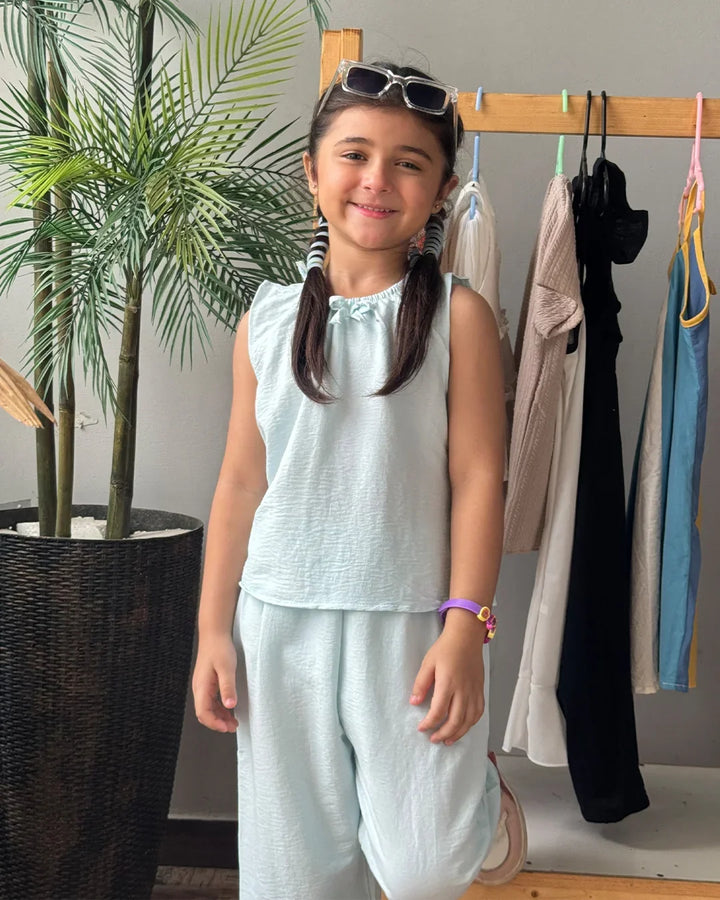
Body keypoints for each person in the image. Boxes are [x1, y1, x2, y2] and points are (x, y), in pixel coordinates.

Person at [192, 58, 526, 900]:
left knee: (423, 871)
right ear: (312, 173)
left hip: (411, 626)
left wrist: (466, 628)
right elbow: (240, 482)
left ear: (442, 187)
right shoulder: (265, 320)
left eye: (408, 162)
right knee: (295, 878)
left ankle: (486, 799)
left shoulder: (460, 316)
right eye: (354, 154)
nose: (377, 179)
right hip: (279, 627)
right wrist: (212, 629)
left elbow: (481, 479)